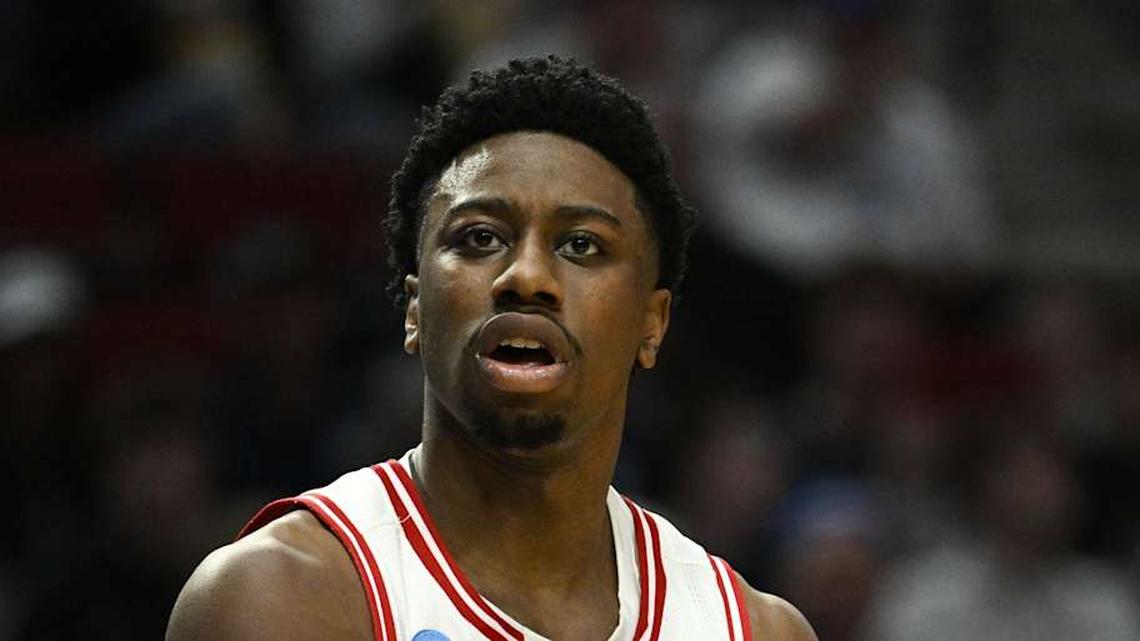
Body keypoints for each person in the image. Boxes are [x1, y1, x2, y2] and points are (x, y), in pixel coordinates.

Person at [166, 55, 818, 641]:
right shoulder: (283, 598)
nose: (526, 276)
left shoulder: (755, 628)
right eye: (479, 238)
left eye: (582, 244)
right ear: (415, 305)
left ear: (652, 322)